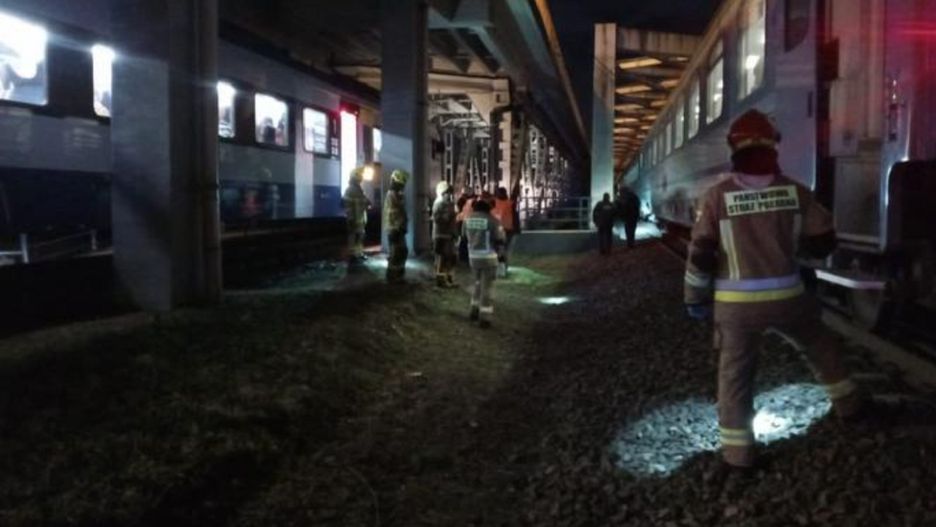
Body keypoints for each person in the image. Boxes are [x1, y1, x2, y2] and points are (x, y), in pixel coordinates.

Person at [684, 109, 864, 471]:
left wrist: (695, 299)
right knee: (821, 347)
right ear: (773, 147)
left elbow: (701, 255)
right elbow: (823, 243)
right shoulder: (797, 192)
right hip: (788, 299)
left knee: (734, 376)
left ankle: (738, 455)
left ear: (734, 148)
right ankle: (851, 407)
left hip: (735, 308)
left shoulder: (716, 197)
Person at [464, 198, 506, 328]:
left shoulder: (467, 219)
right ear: (488, 209)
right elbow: (500, 239)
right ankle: (485, 317)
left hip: (473, 258)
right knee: (487, 287)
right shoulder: (492, 220)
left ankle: (474, 310)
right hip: (488, 258)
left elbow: (464, 236)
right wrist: (501, 254)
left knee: (477, 283)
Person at [384, 169, 409, 284]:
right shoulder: (392, 195)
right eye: (401, 184)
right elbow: (395, 214)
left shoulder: (397, 195)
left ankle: (398, 275)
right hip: (394, 229)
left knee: (401, 252)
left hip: (398, 228)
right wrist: (397, 227)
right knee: (396, 253)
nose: (403, 186)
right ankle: (392, 277)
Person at [342, 166, 371, 265]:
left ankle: (358, 254)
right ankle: (352, 256)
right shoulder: (350, 190)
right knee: (353, 237)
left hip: (360, 219)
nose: (361, 179)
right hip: (354, 219)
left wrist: (367, 202)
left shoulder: (359, 190)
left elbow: (364, 201)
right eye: (360, 177)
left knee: (360, 236)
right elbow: (348, 206)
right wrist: (350, 218)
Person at [432, 181, 458, 287]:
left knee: (450, 258)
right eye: (447, 192)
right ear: (441, 193)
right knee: (442, 259)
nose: (449, 195)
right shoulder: (438, 204)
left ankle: (448, 278)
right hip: (441, 235)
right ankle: (441, 281)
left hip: (449, 235)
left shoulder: (449, 204)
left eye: (450, 193)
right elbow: (438, 219)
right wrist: (449, 214)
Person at [492, 187, 516, 277]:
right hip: (507, 229)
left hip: (499, 229)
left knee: (499, 250)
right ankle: (503, 269)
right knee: (504, 250)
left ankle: (500, 269)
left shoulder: (493, 202)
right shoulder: (510, 203)